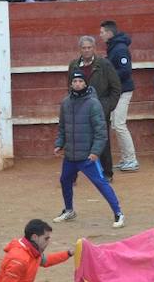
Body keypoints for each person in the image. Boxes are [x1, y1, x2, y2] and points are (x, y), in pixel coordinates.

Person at [53, 71, 124, 228]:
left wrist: (95, 152)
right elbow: (62, 127)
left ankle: (118, 213)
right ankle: (69, 210)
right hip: (71, 155)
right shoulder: (66, 103)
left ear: (85, 84)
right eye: (75, 81)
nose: (77, 84)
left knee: (100, 183)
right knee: (65, 180)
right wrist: (59, 143)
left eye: (80, 81)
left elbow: (101, 131)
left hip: (87, 156)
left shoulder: (93, 103)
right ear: (71, 84)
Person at [67, 35, 122, 181]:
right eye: (84, 48)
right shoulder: (73, 65)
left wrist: (107, 107)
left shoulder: (104, 64)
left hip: (100, 108)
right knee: (77, 142)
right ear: (80, 49)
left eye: (89, 47)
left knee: (102, 140)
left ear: (94, 48)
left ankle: (107, 173)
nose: (86, 50)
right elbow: (70, 87)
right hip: (79, 110)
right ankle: (72, 175)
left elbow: (116, 88)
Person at [100, 20, 138, 172]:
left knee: (119, 124)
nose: (100, 34)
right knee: (117, 124)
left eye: (102, 32)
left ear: (110, 33)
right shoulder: (115, 47)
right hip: (118, 91)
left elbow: (126, 70)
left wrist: (109, 76)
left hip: (123, 91)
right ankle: (126, 158)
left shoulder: (120, 49)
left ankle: (131, 159)